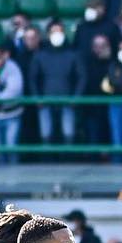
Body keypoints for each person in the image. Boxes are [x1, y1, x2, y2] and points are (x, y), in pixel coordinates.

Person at [28, 20, 86, 148]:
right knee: (46, 134)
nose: (57, 34)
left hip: (68, 100)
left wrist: (76, 97)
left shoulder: (73, 54)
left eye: (59, 31)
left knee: (68, 133)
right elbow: (33, 78)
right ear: (48, 34)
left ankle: (68, 161)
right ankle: (46, 162)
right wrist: (37, 98)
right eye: (53, 31)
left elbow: (82, 77)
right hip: (45, 101)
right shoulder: (40, 55)